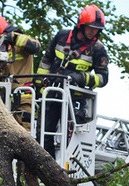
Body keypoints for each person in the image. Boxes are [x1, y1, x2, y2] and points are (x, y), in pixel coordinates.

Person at [36, 4, 109, 157]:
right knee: (43, 134)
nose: (93, 31)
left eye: (96, 28)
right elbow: (46, 60)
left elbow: (103, 78)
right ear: (81, 25)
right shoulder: (61, 36)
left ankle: (69, 171)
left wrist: (81, 78)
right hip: (52, 92)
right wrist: (39, 84)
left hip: (76, 97)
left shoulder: (98, 49)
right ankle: (46, 170)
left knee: (73, 137)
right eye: (90, 27)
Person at [0, 14, 41, 129]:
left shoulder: (20, 43)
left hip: (22, 99)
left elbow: (36, 47)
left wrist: (14, 38)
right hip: (2, 100)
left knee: (24, 134)